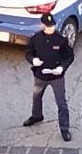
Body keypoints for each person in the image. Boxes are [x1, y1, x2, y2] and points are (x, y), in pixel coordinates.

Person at [23, 13, 74, 141]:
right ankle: (36, 116)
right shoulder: (36, 38)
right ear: (42, 25)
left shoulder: (61, 39)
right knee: (36, 97)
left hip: (56, 77)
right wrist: (33, 60)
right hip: (40, 75)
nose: (51, 28)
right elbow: (28, 53)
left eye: (52, 26)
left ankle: (64, 128)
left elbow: (69, 56)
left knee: (61, 104)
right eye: (48, 26)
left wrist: (62, 68)